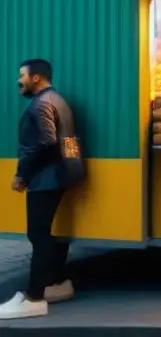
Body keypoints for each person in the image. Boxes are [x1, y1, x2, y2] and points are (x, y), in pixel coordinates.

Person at [1, 60, 84, 320]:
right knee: (51, 234)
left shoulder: (40, 106)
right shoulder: (58, 100)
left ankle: (34, 297)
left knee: (38, 235)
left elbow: (45, 141)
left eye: (22, 76)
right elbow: (66, 140)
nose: (19, 81)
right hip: (64, 174)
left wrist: (22, 174)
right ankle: (56, 283)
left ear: (36, 78)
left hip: (46, 178)